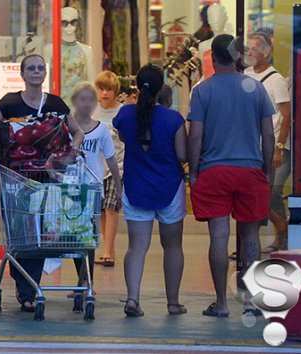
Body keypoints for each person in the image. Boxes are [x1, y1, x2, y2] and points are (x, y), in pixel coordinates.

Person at [0, 54, 84, 312]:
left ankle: (30, 290)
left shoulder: (56, 104)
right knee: (23, 232)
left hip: (49, 179)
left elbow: (77, 131)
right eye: (31, 68)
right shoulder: (10, 103)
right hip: (17, 179)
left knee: (44, 232)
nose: (36, 72)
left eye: (40, 68)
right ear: (23, 74)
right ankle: (25, 289)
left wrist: (71, 152)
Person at [188, 34, 275, 317]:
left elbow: (196, 136)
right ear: (238, 56)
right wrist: (267, 170)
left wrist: (194, 170)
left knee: (219, 236)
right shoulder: (255, 88)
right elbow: (269, 135)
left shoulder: (202, 91)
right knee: (250, 237)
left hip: (214, 171)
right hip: (250, 170)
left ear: (212, 58)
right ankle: (251, 302)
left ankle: (222, 303)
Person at [115, 64, 188, 317]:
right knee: (173, 246)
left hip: (136, 186)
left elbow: (124, 138)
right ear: (161, 89)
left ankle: (133, 299)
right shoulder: (174, 119)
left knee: (136, 247)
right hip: (169, 188)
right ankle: (173, 302)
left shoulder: (124, 115)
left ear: (136, 85)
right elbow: (182, 154)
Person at [70, 82, 122, 290]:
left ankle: (86, 280)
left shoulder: (101, 130)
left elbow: (111, 159)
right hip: (72, 187)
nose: (86, 104)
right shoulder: (67, 128)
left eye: (90, 100)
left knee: (88, 234)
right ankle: (81, 277)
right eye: (82, 99)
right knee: (74, 235)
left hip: (93, 188)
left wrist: (118, 186)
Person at [245, 32, 291, 252]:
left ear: (266, 52)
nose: (250, 52)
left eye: (255, 48)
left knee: (271, 192)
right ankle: (277, 229)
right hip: (251, 146)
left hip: (273, 146)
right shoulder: (244, 75)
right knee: (256, 193)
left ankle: (282, 233)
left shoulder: (276, 80)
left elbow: (285, 115)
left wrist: (279, 147)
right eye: (249, 48)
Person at [92, 71, 123, 267]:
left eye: (109, 89)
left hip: (117, 166)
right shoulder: (91, 111)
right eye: (102, 89)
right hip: (95, 167)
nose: (105, 93)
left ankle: (107, 251)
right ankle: (107, 248)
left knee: (112, 208)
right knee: (102, 210)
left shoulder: (122, 111)